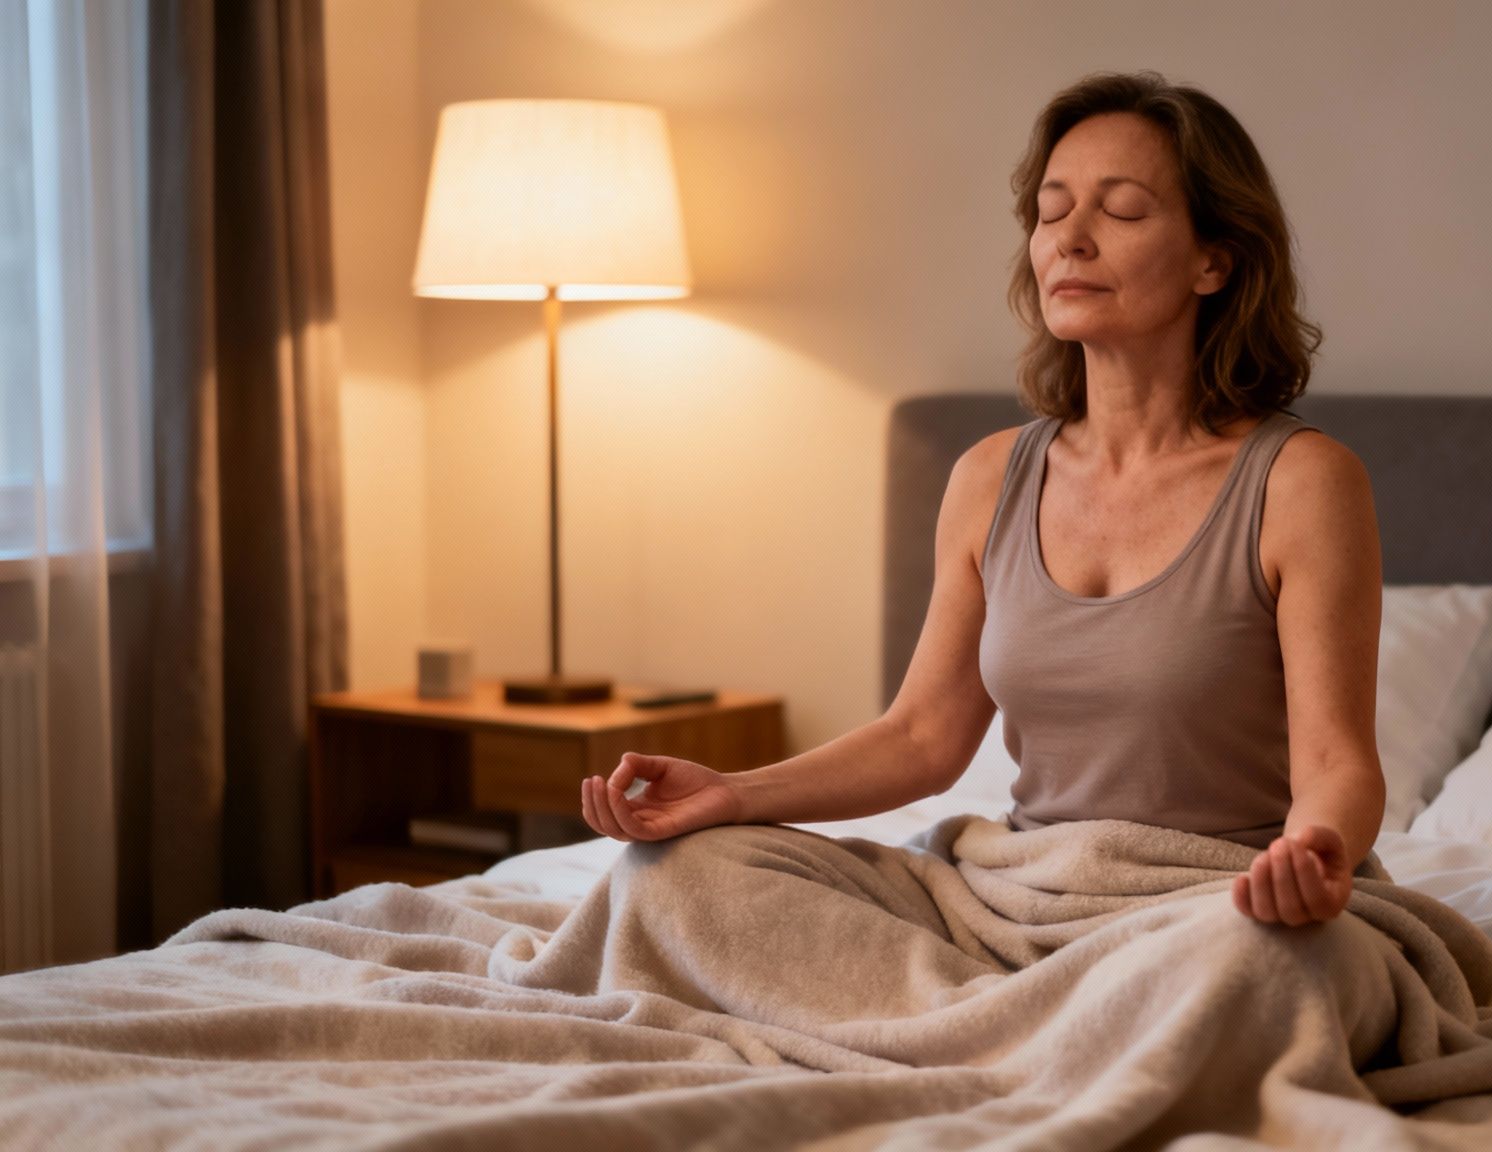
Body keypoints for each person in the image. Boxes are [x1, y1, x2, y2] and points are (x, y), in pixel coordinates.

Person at [579, 70, 1386, 929]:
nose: (1069, 240)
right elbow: (923, 737)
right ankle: (1006, 1011)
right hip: (1027, 891)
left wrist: (1313, 857)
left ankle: (1007, 1019)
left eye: (1120, 211)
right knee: (678, 873)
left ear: (1213, 260)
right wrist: (731, 793)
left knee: (1255, 974)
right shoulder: (988, 478)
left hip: (1220, 903)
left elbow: (1338, 763)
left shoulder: (1302, 482)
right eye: (1051, 210)